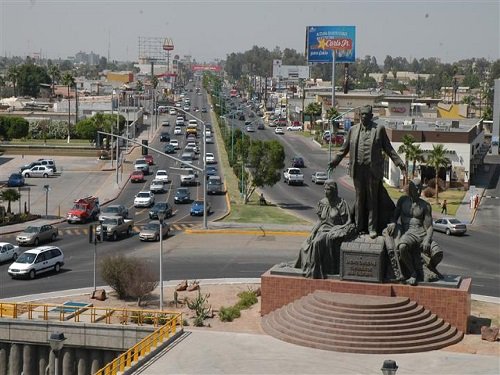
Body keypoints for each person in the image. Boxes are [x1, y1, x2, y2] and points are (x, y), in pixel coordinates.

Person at [328, 105, 406, 239]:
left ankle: (372, 228)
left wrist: (399, 162)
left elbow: (388, 148)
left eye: (366, 115)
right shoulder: (353, 130)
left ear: (371, 116)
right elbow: (344, 148)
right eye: (362, 114)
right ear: (359, 116)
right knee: (359, 199)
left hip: (373, 171)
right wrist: (335, 161)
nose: (364, 117)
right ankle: (358, 226)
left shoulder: (378, 129)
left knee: (372, 200)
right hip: (358, 170)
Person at [384, 179, 443, 285]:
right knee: (402, 247)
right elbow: (394, 216)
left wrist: (427, 240)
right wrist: (392, 222)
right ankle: (413, 273)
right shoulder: (402, 201)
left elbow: (429, 227)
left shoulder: (425, 205)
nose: (419, 191)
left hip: (422, 233)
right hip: (409, 233)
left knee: (438, 254)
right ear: (411, 189)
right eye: (416, 189)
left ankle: (429, 267)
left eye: (420, 188)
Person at [294, 180, 356, 278]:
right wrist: (312, 233)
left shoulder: (341, 204)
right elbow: (320, 221)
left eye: (328, 189)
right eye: (325, 189)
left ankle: (315, 271)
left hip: (332, 230)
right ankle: (306, 266)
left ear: (334, 190)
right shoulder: (322, 203)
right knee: (304, 245)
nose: (325, 192)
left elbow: (347, 222)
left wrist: (337, 230)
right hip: (321, 229)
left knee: (317, 243)